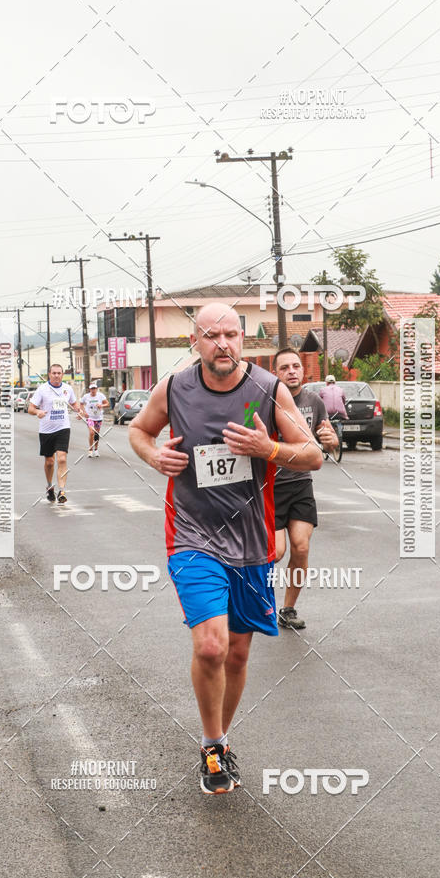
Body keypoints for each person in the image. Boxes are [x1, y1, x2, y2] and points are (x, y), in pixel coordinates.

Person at [129, 303, 323, 795]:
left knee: (237, 653)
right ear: (195, 341)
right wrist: (154, 455)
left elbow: (314, 454)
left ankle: (222, 738)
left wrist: (269, 450)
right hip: (192, 536)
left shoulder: (267, 388)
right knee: (211, 644)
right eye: (211, 335)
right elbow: (138, 429)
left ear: (242, 340)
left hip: (252, 544)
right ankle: (212, 745)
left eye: (231, 334)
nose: (222, 343)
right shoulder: (174, 388)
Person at [272, 350, 338, 630]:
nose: (291, 371)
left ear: (303, 371)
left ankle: (287, 610)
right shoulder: (263, 400)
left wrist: (332, 439)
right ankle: (252, 602)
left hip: (300, 484)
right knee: (275, 552)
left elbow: (328, 443)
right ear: (275, 373)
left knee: (300, 547)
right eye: (284, 367)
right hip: (269, 488)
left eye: (296, 366)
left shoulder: (314, 401)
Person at [28, 364, 81, 504]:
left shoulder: (67, 389)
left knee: (62, 459)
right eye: (54, 373)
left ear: (62, 374)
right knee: (49, 462)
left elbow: (75, 404)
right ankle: (49, 485)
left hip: (63, 427)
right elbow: (30, 408)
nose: (57, 375)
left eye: (59, 373)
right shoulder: (42, 389)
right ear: (49, 375)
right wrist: (38, 412)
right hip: (46, 430)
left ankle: (62, 490)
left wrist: (78, 410)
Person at [80, 382, 108, 457]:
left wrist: (101, 405)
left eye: (94, 388)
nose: (93, 390)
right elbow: (81, 403)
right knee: (92, 432)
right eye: (92, 389)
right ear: (89, 389)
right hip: (90, 418)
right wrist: (83, 412)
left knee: (96, 434)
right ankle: (90, 450)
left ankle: (96, 450)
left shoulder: (101, 395)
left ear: (97, 389)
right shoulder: (86, 396)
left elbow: (107, 404)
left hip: (98, 417)